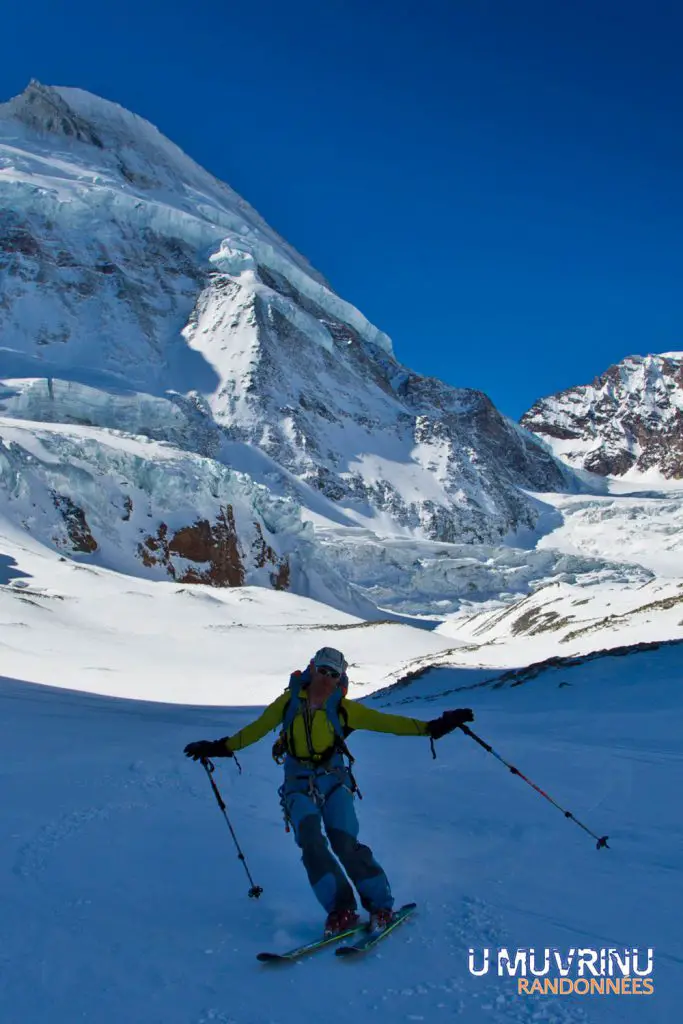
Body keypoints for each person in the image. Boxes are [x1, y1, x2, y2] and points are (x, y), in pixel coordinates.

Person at [184, 646, 474, 935]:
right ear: (312, 669)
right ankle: (341, 909)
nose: (326, 678)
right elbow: (256, 729)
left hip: (334, 781)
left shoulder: (343, 709)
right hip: (297, 784)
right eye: (322, 671)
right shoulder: (288, 704)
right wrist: (220, 748)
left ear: (340, 679)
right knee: (311, 844)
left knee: (344, 843)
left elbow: (388, 723)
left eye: (333, 674)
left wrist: (434, 727)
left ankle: (380, 905)